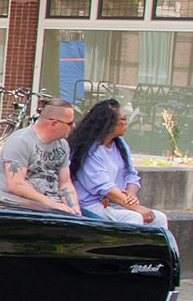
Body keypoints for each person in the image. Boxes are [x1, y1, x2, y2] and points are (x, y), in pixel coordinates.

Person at [67, 99, 170, 231]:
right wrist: (136, 208)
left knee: (159, 218)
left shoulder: (120, 144)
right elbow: (105, 188)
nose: (126, 123)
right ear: (108, 124)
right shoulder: (90, 150)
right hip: (92, 205)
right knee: (134, 218)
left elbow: (131, 176)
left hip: (118, 203)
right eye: (123, 119)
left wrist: (131, 196)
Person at [0, 97, 80, 214]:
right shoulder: (20, 141)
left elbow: (65, 183)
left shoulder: (63, 145)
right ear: (54, 123)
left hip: (54, 207)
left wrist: (74, 208)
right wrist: (52, 205)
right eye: (70, 123)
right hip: (23, 208)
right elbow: (16, 184)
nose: (74, 126)